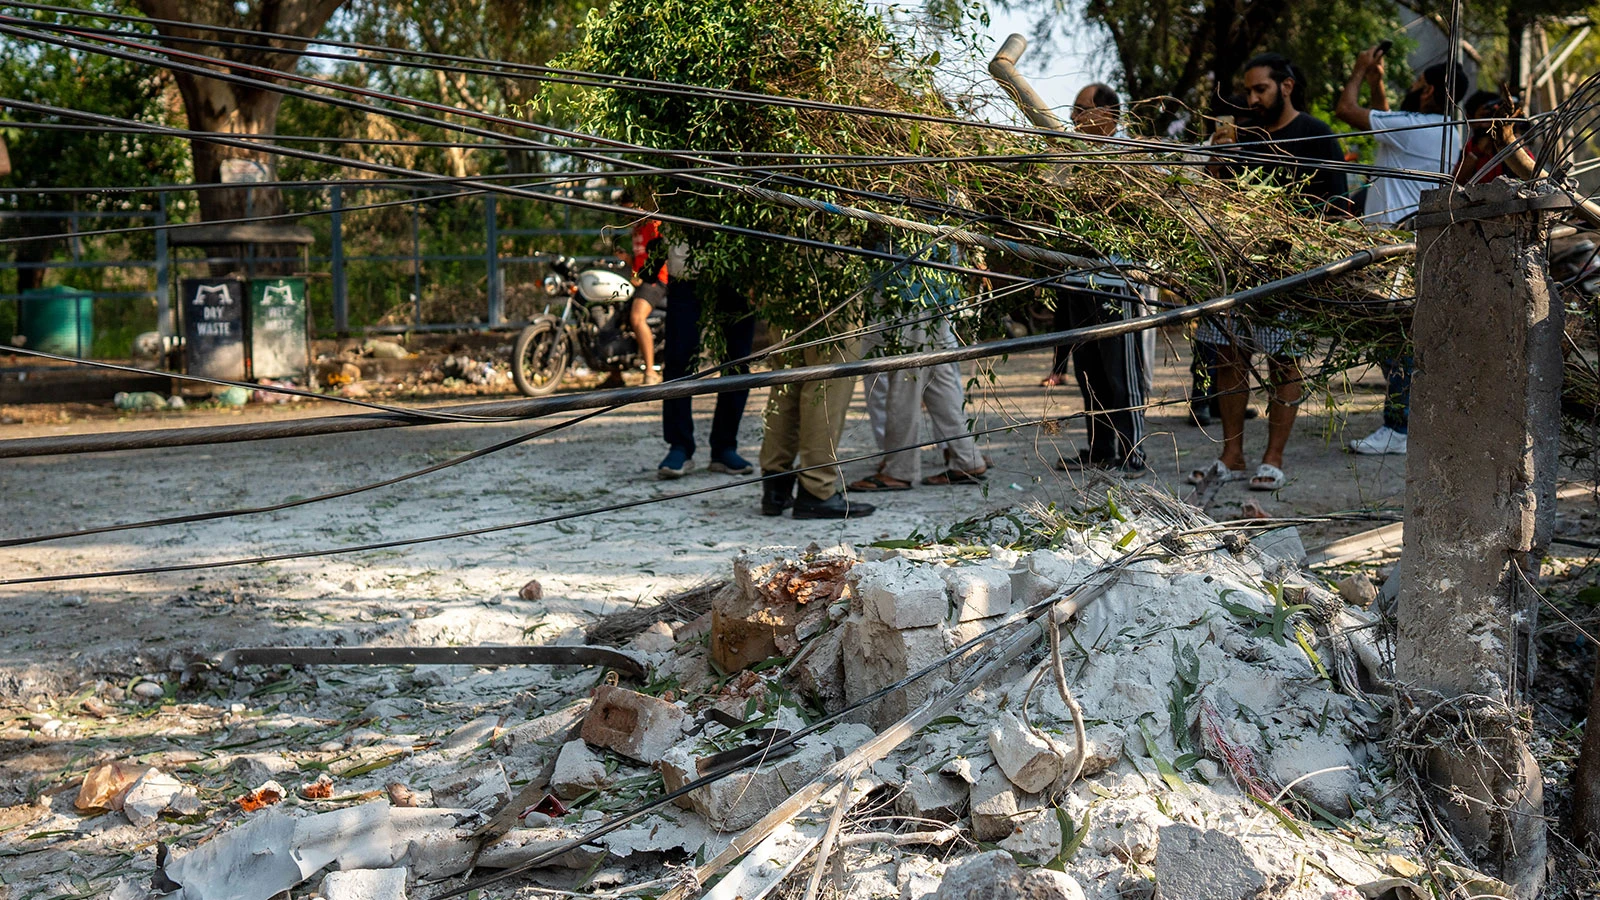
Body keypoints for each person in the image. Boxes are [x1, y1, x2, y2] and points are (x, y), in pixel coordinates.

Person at [1190, 52, 1347, 492]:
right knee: (1227, 357)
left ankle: (1273, 458)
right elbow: (1218, 199)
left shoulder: (1316, 134)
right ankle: (1231, 454)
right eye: (1249, 90)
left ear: (1287, 86)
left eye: (1261, 89)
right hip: (1237, 268)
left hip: (1290, 270)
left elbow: (1337, 205)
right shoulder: (1244, 136)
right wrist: (1218, 161)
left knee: (1283, 361)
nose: (1252, 97)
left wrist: (1308, 251)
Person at [1334, 51, 1468, 456]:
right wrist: (1378, 81)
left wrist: (1358, 70)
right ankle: (1410, 422)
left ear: (1428, 91)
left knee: (1396, 339)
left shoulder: (1419, 126)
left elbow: (1346, 111)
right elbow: (1387, 123)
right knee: (1400, 335)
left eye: (1415, 83)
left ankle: (1400, 427)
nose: (1409, 88)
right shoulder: (1443, 128)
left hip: (1394, 247)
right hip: (1411, 243)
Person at [851, 243, 989, 492]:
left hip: (910, 293)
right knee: (940, 381)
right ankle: (967, 459)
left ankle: (899, 470)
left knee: (906, 382)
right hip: (938, 293)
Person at [648, 237, 758, 480]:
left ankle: (725, 447)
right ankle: (679, 446)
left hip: (737, 266)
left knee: (737, 362)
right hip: (686, 268)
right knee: (679, 359)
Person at [758, 326, 876, 518]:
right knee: (828, 380)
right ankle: (816, 487)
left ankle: (775, 489)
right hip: (833, 305)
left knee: (785, 379)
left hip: (780, 301)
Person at [627, 207, 667, 386]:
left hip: (656, 278)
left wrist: (644, 277)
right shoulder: (635, 228)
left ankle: (650, 371)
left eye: (632, 209)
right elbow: (640, 258)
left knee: (637, 318)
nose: (629, 214)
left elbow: (660, 254)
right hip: (642, 278)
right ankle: (614, 373)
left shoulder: (653, 224)